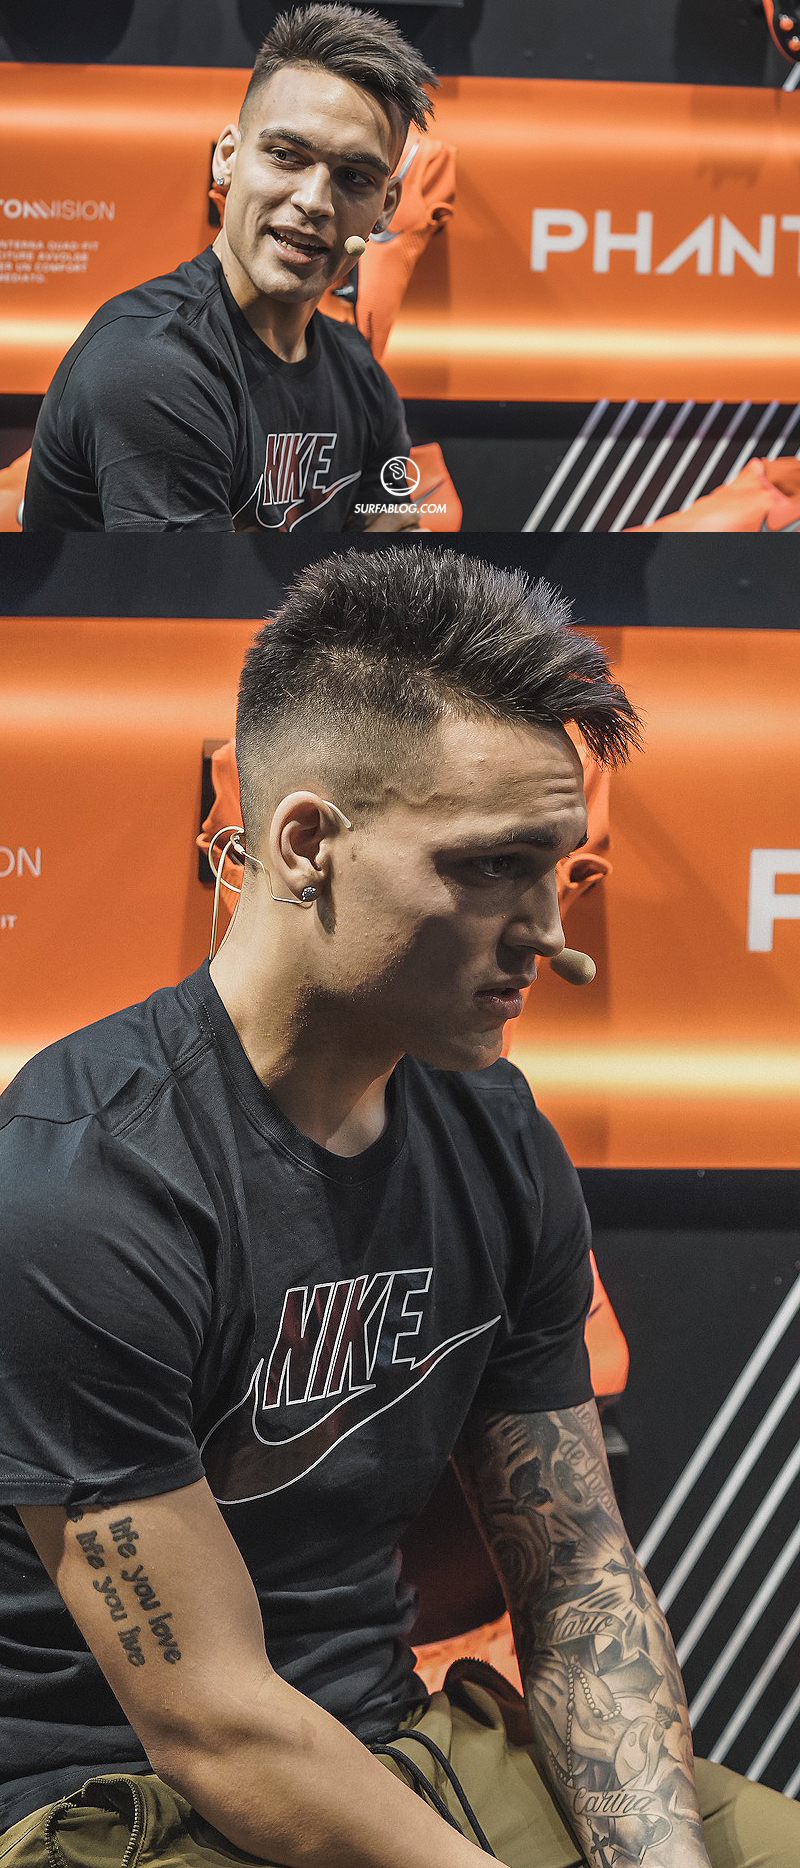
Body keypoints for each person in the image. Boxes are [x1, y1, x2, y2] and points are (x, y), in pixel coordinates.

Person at [0, 544, 797, 1868]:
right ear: (306, 843)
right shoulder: (84, 1182)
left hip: (390, 1742)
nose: (551, 932)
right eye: (489, 867)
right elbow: (214, 1724)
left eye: (561, 868)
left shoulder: (496, 1134)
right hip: (119, 1796)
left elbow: (577, 1576)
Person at [22, 5, 434, 533]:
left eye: (355, 177)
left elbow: (399, 547)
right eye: (285, 155)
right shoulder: (152, 363)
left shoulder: (358, 370)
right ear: (227, 158)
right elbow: (197, 589)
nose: (314, 201)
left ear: (386, 206)